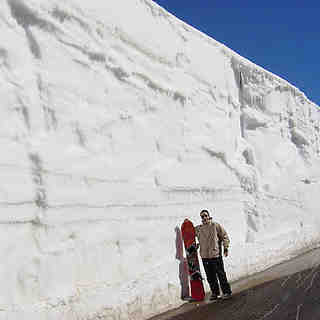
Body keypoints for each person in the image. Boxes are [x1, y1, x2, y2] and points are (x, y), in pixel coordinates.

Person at [195, 209, 232, 301]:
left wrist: (225, 247)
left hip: (215, 255)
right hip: (205, 256)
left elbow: (224, 236)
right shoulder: (199, 229)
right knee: (210, 277)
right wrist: (196, 245)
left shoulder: (215, 225)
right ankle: (215, 293)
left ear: (209, 216)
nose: (204, 217)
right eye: (202, 216)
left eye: (205, 215)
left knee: (221, 275)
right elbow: (191, 235)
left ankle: (227, 292)